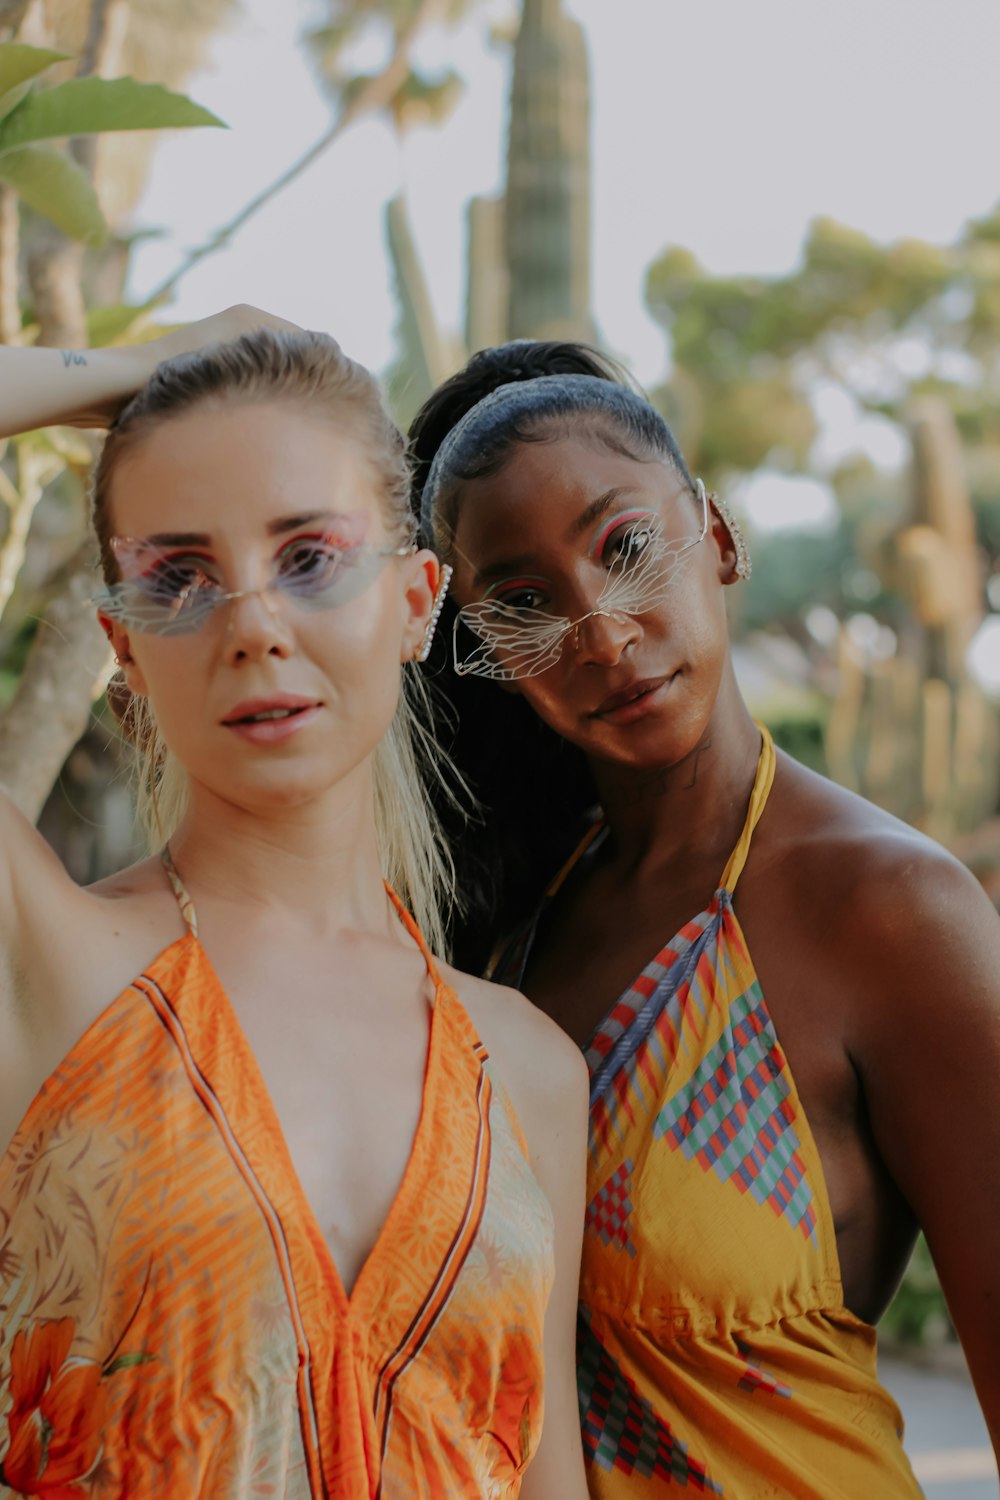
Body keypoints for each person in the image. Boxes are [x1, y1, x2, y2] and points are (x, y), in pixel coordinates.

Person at [0, 325, 589, 1498]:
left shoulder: (527, 1067)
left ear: (418, 601)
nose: (253, 625)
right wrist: (157, 362)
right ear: (123, 644)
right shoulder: (46, 964)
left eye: (309, 557)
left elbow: (546, 1480)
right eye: (179, 577)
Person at [408, 340, 1000, 1498]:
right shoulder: (510, 934)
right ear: (482, 649)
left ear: (717, 538)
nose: (603, 633)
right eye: (525, 602)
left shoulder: (888, 910)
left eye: (625, 549)